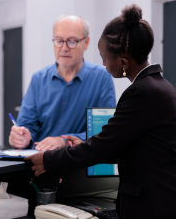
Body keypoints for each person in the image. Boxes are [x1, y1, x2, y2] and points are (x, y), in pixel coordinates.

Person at [25, 4, 176, 219]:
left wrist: (49, 159)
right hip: (171, 202)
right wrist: (82, 144)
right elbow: (125, 146)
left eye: (104, 58)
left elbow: (101, 146)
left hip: (161, 206)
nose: (103, 64)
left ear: (122, 62)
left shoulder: (142, 93)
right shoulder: (161, 86)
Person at [9, 15, 116, 151]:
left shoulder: (102, 78)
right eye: (59, 41)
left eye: (72, 41)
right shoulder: (38, 79)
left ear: (86, 43)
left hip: (81, 165)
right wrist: (23, 137)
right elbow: (27, 125)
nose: (64, 48)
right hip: (41, 165)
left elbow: (106, 130)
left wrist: (65, 140)